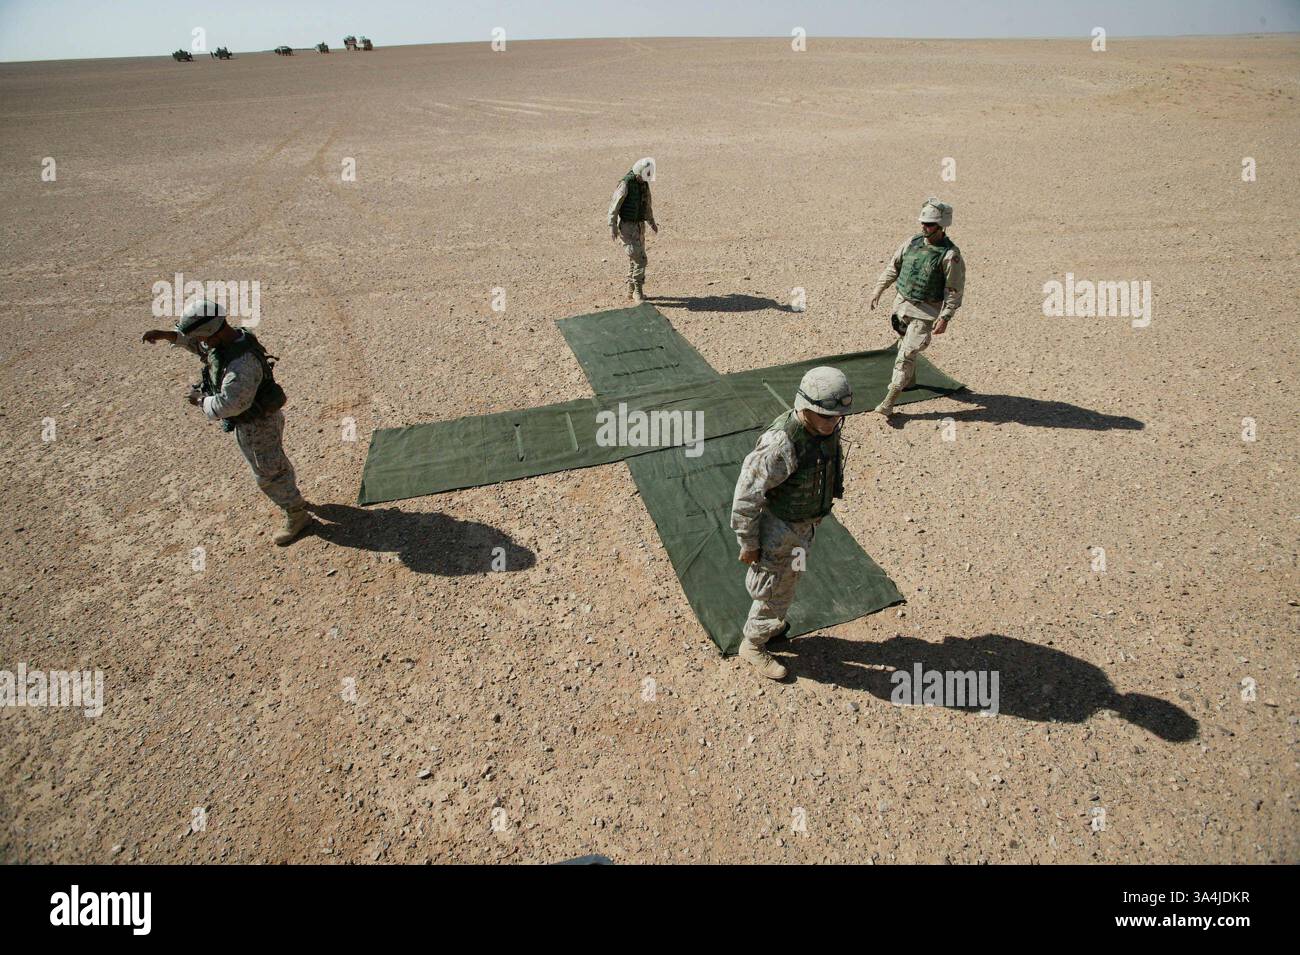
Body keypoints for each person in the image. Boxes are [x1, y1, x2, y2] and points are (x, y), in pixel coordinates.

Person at [141, 299, 311, 546]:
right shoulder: (230, 339)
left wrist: (201, 401)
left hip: (256, 426)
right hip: (263, 419)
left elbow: (230, 405)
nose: (202, 343)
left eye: (203, 337)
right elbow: (202, 348)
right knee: (275, 461)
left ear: (212, 332)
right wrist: (170, 336)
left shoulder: (240, 366)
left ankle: (296, 513)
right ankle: (292, 496)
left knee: (267, 472)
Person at [730, 367, 852, 680]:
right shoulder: (780, 445)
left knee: (790, 577)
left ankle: (774, 619)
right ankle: (754, 643)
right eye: (826, 416)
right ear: (805, 406)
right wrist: (749, 543)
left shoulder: (825, 427)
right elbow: (746, 498)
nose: (833, 422)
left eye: (837, 416)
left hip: (804, 528)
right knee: (773, 588)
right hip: (779, 531)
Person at [869, 197, 965, 415]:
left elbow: (954, 290)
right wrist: (878, 289)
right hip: (901, 306)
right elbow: (893, 267)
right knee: (905, 343)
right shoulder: (911, 243)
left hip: (925, 311)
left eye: (930, 224)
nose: (924, 226)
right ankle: (909, 381)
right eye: (923, 222)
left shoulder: (950, 256)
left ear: (941, 227)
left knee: (905, 354)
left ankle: (890, 399)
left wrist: (945, 317)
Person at [607, 157, 659, 302]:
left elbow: (646, 204)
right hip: (627, 228)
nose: (645, 179)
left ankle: (630, 291)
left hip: (639, 226)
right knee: (640, 260)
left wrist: (651, 221)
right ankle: (638, 291)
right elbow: (614, 205)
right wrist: (612, 225)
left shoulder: (643, 185)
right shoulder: (626, 183)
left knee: (634, 259)